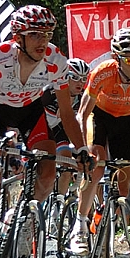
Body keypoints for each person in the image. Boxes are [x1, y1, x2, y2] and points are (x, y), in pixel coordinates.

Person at [0, 4, 91, 258]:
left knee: (47, 172)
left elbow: (66, 112)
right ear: (18, 36)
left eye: (46, 34)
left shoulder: (56, 60)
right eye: (34, 35)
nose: (41, 41)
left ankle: (19, 214)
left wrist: (82, 148)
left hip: (29, 113)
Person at [68, 29, 130, 258]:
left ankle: (105, 222)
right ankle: (80, 227)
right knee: (97, 166)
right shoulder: (102, 73)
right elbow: (82, 114)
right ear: (116, 58)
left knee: (124, 189)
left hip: (126, 122)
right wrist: (83, 150)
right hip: (99, 118)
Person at [42, 58, 90, 198]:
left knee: (67, 164)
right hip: (41, 129)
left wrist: (82, 149)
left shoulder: (82, 97)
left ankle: (59, 203)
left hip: (59, 130)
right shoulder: (49, 92)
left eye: (83, 79)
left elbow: (84, 123)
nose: (80, 82)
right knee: (38, 170)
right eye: (74, 77)